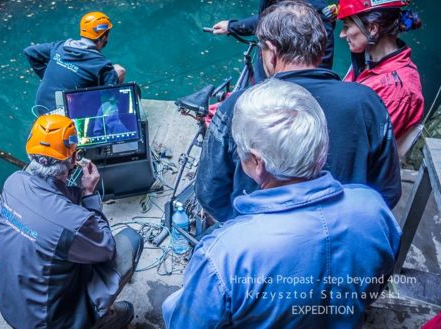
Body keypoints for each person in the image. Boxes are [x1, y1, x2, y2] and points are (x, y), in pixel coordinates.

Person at [163, 79, 402, 328]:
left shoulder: (226, 254)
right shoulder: (372, 208)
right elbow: (375, 283)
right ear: (322, 142)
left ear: (257, 163)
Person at [196, 0, 401, 223]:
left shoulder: (239, 106)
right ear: (321, 48)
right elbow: (387, 191)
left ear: (271, 52)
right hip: (343, 234)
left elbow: (210, 192)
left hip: (258, 239)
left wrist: (241, 229)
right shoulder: (367, 102)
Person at [0, 114, 143, 329]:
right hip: (50, 322)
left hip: (11, 308)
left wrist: (78, 191)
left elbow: (52, 201)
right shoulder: (73, 222)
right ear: (73, 160)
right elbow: (106, 249)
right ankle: (100, 318)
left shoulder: (13, 182)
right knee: (131, 239)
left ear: (31, 152)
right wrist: (89, 194)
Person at [335, 0, 424, 140]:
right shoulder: (368, 59)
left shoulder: (397, 90)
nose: (342, 34)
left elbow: (360, 147)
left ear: (372, 29)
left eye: (347, 26)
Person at [24, 12, 126, 114]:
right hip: (68, 116)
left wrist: (46, 76)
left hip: (42, 107)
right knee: (119, 70)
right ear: (104, 37)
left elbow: (30, 52)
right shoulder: (101, 64)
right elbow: (110, 96)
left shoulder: (60, 47)